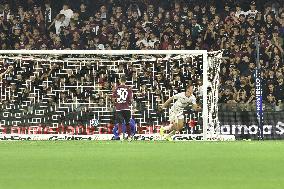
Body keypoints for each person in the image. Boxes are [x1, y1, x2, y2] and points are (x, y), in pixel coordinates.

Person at [112, 75, 133, 140]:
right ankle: (129, 137)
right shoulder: (128, 89)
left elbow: (113, 98)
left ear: (120, 81)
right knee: (127, 123)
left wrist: (115, 104)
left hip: (119, 108)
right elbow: (131, 100)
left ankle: (121, 135)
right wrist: (130, 103)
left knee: (120, 123)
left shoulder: (117, 88)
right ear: (125, 81)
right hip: (126, 108)